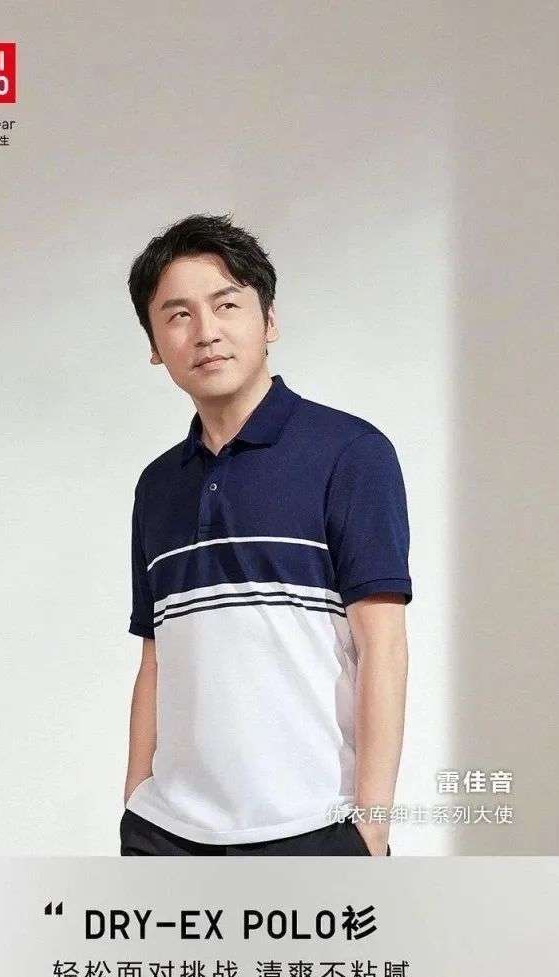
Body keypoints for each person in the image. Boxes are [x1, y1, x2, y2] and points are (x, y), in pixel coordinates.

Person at [120, 213, 412, 856]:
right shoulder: (157, 486)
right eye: (178, 315)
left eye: (226, 305)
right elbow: (155, 655)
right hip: (167, 834)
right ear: (154, 345)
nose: (206, 331)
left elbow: (383, 647)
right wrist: (136, 796)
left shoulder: (350, 453)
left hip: (311, 827)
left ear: (269, 320)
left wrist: (371, 827)